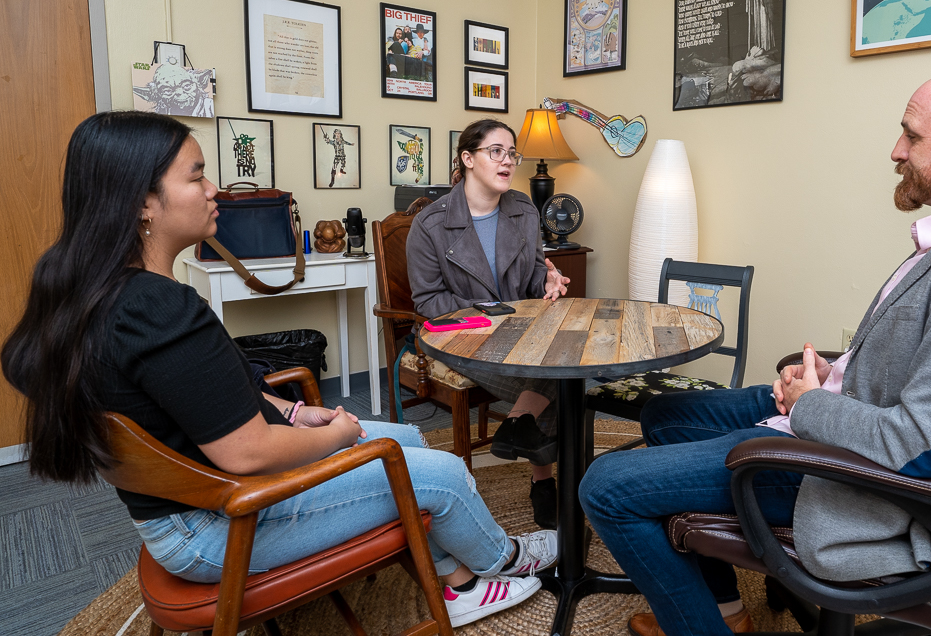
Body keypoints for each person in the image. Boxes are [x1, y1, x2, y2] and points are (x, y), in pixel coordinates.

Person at [0, 111, 557, 629]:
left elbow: (198, 398)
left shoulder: (107, 292)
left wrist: (290, 410)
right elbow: (246, 454)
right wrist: (338, 431)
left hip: (197, 499)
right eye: (196, 177)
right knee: (445, 474)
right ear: (142, 203)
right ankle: (504, 560)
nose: (214, 189)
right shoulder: (156, 308)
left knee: (409, 435)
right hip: (218, 521)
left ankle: (454, 581)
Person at [579, 66, 931, 636]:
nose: (897, 151)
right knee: (666, 415)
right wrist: (835, 373)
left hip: (845, 476)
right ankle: (726, 606)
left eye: (912, 135)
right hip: (841, 412)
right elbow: (918, 361)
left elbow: (922, 447)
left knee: (604, 487)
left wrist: (807, 406)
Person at [406, 119, 571, 530]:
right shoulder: (430, 225)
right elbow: (427, 300)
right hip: (461, 336)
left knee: (573, 363)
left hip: (519, 329)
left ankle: (517, 424)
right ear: (467, 159)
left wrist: (548, 280)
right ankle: (542, 479)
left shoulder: (523, 210)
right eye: (496, 151)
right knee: (557, 379)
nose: (508, 161)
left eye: (512, 153)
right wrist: (490, 312)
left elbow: (532, 278)